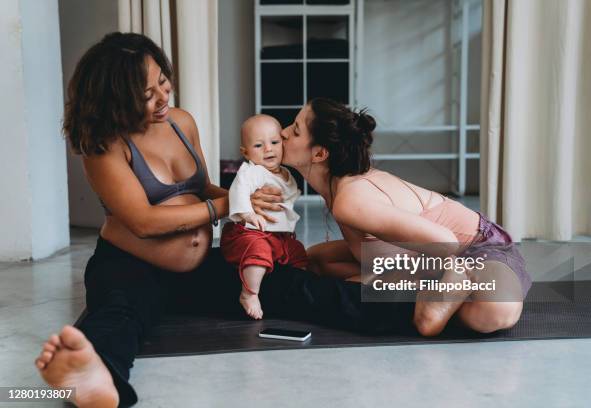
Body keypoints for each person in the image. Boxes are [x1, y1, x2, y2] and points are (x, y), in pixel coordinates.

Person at [33, 33, 412, 408]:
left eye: (163, 82)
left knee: (293, 286)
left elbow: (203, 188)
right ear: (116, 98)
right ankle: (94, 377)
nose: (163, 97)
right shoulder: (104, 146)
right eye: (147, 95)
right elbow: (144, 221)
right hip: (130, 265)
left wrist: (249, 199)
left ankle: (422, 305)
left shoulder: (182, 122)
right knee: (121, 313)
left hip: (197, 268)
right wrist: (231, 203)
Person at [280, 97, 532, 337]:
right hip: (432, 259)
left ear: (320, 154)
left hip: (479, 250)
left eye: (295, 130)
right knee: (313, 260)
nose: (283, 132)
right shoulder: (340, 187)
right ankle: (433, 293)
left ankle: (437, 301)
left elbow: (446, 241)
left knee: (496, 309)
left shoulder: (350, 200)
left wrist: (386, 278)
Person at [221, 114, 308, 319]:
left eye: (274, 142)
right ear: (245, 152)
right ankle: (249, 293)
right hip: (251, 233)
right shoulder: (253, 171)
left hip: (279, 236)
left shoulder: (286, 174)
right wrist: (247, 213)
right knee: (258, 254)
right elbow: (239, 190)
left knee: (298, 253)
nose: (268, 149)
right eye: (259, 145)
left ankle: (300, 283)